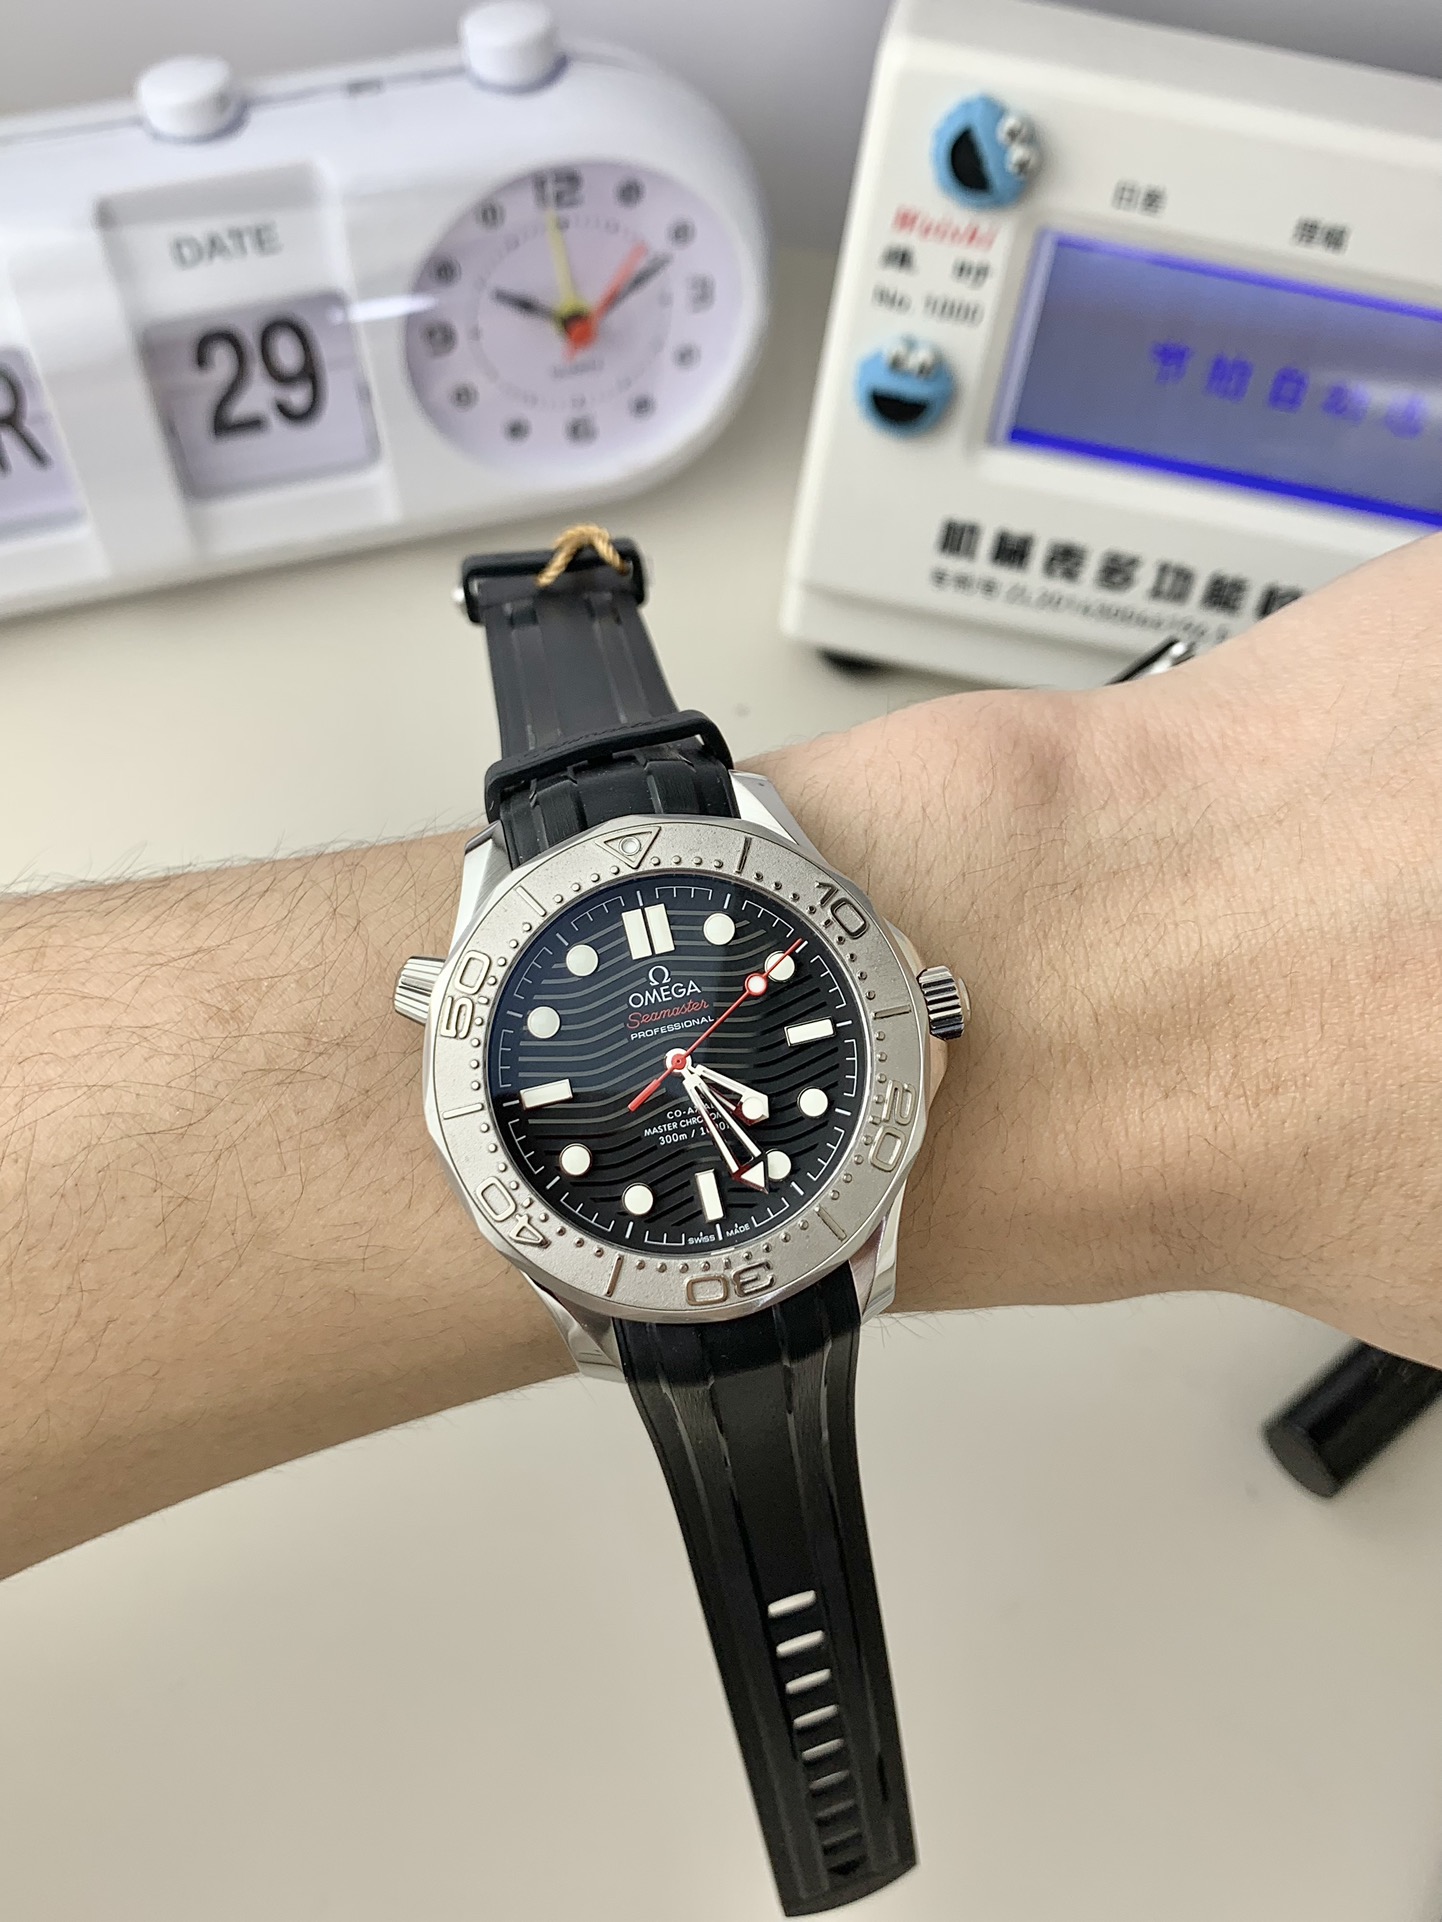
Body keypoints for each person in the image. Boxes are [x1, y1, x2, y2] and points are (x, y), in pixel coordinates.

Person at [1, 533, 1437, 1581]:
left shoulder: (847, 1008)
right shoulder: (524, 1048)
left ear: (923, 1007)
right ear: (442, 1001)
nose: (683, 1065)